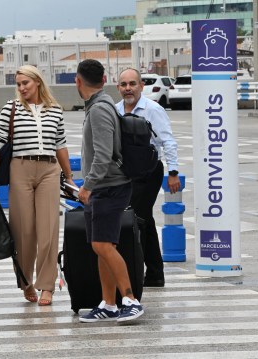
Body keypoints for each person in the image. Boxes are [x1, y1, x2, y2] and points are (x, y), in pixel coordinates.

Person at [0, 65, 75, 306]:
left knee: (48, 229)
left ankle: (47, 286)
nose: (22, 88)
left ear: (37, 83)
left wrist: (69, 175)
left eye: (26, 83)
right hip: (20, 169)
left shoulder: (55, 110)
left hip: (49, 169)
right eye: (18, 84)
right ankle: (25, 280)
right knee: (23, 231)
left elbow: (60, 144)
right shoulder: (10, 109)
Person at [75, 59, 144, 323]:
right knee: (102, 247)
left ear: (78, 81)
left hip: (109, 187)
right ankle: (109, 303)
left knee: (102, 244)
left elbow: (103, 155)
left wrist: (87, 186)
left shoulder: (99, 110)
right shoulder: (97, 106)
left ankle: (130, 299)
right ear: (104, 80)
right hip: (104, 188)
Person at [116, 68, 181, 287]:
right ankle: (154, 273)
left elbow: (168, 141)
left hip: (149, 172)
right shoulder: (115, 111)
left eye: (132, 84)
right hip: (126, 173)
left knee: (138, 220)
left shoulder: (153, 109)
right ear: (118, 88)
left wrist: (173, 173)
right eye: (124, 84)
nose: (128, 89)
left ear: (141, 86)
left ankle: (135, 272)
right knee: (144, 220)